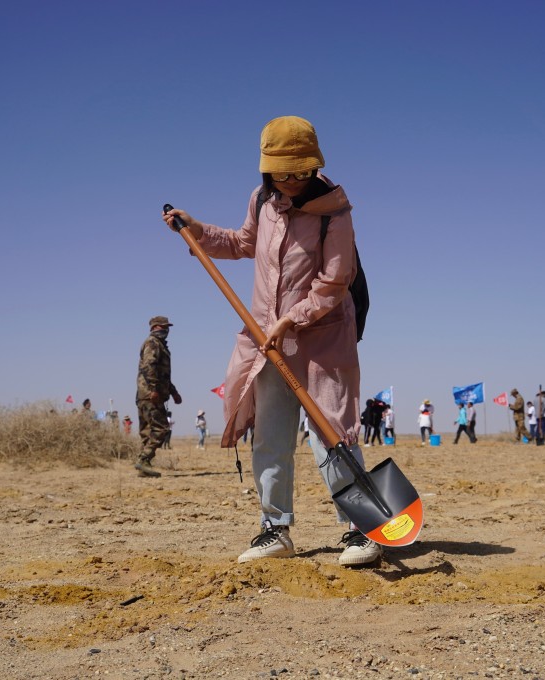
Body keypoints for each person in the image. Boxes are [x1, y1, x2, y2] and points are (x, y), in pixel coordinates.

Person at [161, 115, 380, 567]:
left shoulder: (335, 213)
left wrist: (291, 319)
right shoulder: (262, 200)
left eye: (300, 171)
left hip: (322, 341)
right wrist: (197, 229)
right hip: (266, 340)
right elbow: (242, 243)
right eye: (282, 172)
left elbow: (335, 281)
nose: (291, 180)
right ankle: (274, 528)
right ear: (266, 171)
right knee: (271, 437)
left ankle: (361, 531)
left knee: (333, 435)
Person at [135, 316, 182, 477]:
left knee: (147, 432)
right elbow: (149, 367)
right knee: (161, 428)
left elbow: (164, 375)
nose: (166, 330)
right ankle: (143, 459)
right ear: (154, 327)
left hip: (149, 393)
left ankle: (144, 467)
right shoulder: (152, 343)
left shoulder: (160, 345)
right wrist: (154, 389)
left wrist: (174, 392)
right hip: (150, 395)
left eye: (167, 327)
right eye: (162, 327)